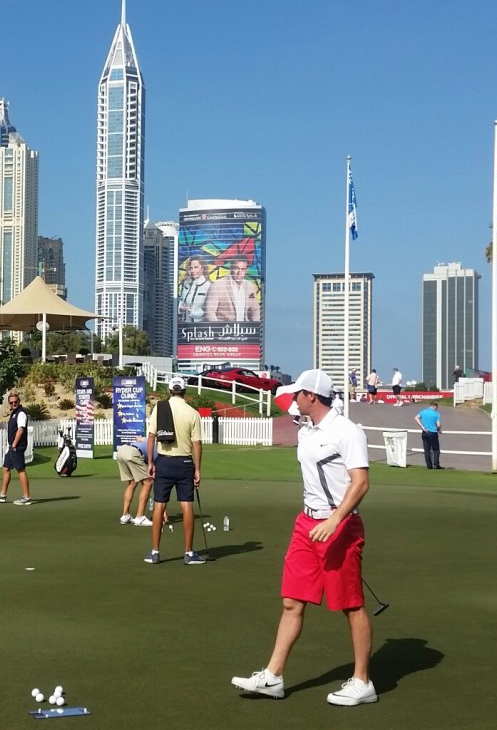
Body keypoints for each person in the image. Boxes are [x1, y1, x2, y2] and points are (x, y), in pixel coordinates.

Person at [231, 368, 376, 706]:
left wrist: (336, 519)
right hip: (306, 524)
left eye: (300, 393)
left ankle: (362, 681)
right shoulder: (307, 427)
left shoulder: (347, 432)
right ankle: (273, 676)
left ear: (312, 396)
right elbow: (283, 399)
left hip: (340, 526)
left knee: (351, 606)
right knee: (291, 601)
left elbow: (361, 483)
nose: (294, 398)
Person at [144, 376, 204, 565]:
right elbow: (197, 443)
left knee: (160, 504)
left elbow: (151, 437)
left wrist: (150, 464)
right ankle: (188, 553)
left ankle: (155, 552)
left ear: (170, 391)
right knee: (186, 504)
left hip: (164, 462)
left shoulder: (159, 409)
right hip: (185, 463)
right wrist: (197, 469)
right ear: (184, 391)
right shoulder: (192, 413)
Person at [0, 392, 32, 505]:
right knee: (6, 468)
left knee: (20, 469)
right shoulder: (14, 413)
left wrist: (14, 444)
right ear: (9, 403)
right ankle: (2, 495)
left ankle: (27, 497)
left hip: (17, 446)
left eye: (15, 402)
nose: (13, 403)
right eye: (11, 402)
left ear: (19, 402)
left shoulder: (21, 413)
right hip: (12, 446)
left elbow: (21, 430)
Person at [204, 256, 261, 323]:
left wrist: (254, 327)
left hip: (245, 329)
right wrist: (217, 329)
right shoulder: (217, 285)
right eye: (236, 268)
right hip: (224, 330)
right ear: (231, 268)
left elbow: (255, 309)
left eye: (243, 269)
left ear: (246, 270)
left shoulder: (250, 286)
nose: (239, 272)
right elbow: (209, 311)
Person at [116, 436, 153, 526]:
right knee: (148, 482)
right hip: (133, 453)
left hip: (121, 451)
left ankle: (125, 516)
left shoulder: (149, 439)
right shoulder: (158, 449)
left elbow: (138, 438)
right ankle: (140, 517)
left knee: (132, 482)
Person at [178, 256, 211, 323]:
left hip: (200, 326)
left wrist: (193, 313)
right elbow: (181, 299)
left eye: (196, 267)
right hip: (184, 325)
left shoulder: (208, 285)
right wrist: (180, 309)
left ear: (202, 268)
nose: (192, 271)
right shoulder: (186, 283)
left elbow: (209, 310)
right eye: (191, 268)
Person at [414, 401, 443, 469]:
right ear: (435, 406)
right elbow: (438, 424)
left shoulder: (423, 412)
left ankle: (429, 465)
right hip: (433, 432)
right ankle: (436, 464)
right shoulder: (436, 414)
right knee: (436, 449)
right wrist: (439, 428)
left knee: (426, 450)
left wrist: (422, 426)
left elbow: (416, 417)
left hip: (425, 432)